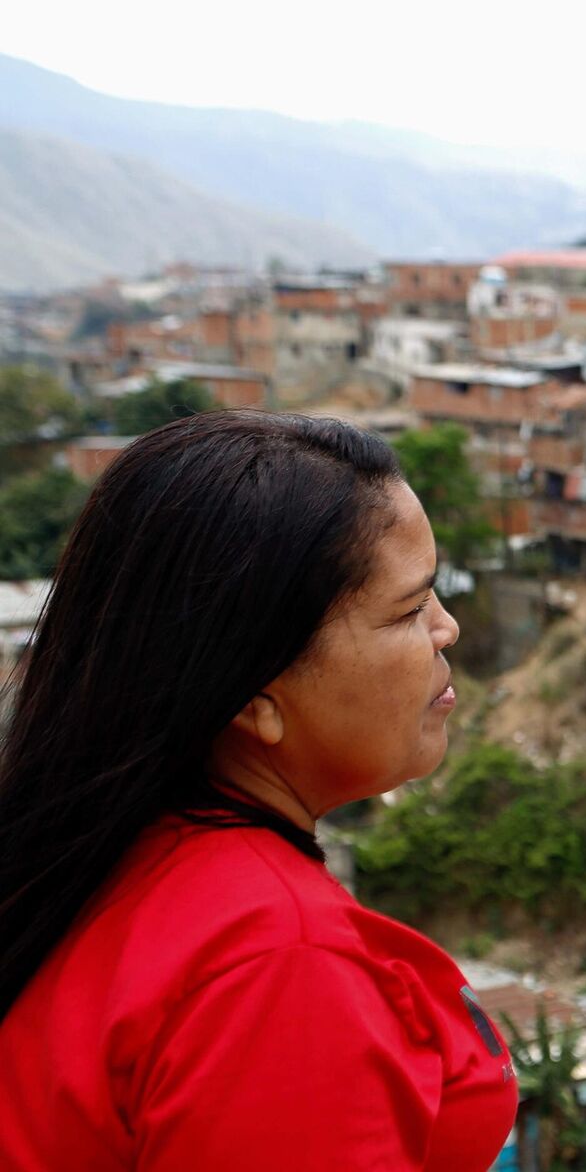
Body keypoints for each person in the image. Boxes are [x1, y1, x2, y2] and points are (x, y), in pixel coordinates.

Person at [0, 412, 518, 1171]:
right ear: (252, 696)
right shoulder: (278, 964)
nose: (447, 631)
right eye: (409, 610)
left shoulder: (99, 857)